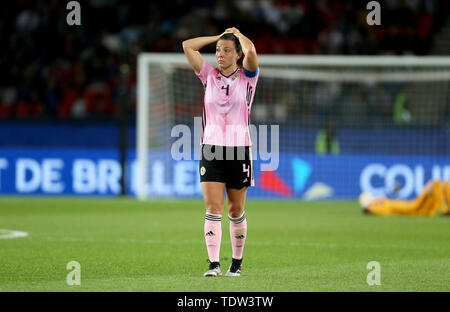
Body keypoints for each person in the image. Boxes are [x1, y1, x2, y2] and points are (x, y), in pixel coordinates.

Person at [182, 27, 259, 277]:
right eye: (217, 51)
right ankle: (214, 265)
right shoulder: (208, 75)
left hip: (239, 150)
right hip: (211, 148)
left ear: (237, 55)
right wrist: (218, 38)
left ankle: (236, 263)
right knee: (212, 207)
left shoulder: (248, 77)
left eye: (227, 51)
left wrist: (238, 35)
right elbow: (188, 45)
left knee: (235, 210)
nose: (220, 55)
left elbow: (252, 51)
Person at [359, 180, 450, 217]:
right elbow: (368, 210)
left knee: (444, 183)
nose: (377, 197)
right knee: (434, 184)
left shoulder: (383, 201)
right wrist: (370, 207)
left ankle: (445, 210)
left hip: (415, 205)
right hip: (415, 208)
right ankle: (444, 211)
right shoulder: (379, 207)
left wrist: (380, 200)